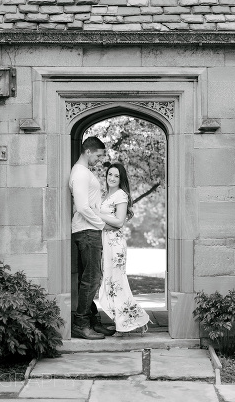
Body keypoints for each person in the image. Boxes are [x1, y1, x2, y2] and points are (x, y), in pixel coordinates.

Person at [97, 162, 151, 335]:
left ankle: (134, 320)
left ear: (121, 179)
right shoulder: (105, 195)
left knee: (117, 284)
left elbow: (119, 222)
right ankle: (125, 321)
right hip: (106, 242)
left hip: (115, 245)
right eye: (110, 174)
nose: (112, 178)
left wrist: (97, 215)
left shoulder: (121, 195)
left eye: (116, 176)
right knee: (110, 284)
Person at [69, 136, 114, 340]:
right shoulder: (79, 173)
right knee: (92, 279)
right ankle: (81, 324)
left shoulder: (84, 172)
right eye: (97, 155)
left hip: (89, 230)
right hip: (87, 231)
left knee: (88, 279)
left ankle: (92, 321)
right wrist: (101, 225)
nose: (99, 159)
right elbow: (82, 206)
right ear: (88, 151)